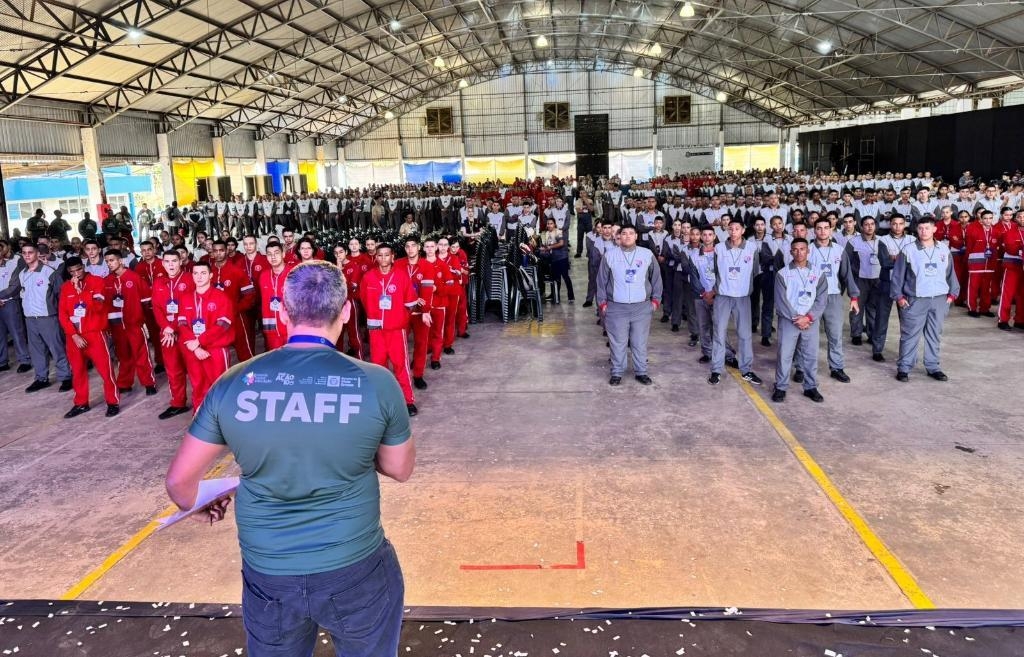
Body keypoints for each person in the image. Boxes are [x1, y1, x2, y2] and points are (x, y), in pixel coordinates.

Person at [165, 260, 413, 657]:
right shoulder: (377, 382)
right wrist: (356, 451)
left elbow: (179, 483)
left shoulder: (234, 381)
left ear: (282, 312)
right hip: (354, 565)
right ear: (346, 311)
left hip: (269, 573)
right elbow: (400, 468)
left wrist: (196, 502)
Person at [891, 216, 959, 382]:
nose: (923, 231)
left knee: (934, 334)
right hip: (915, 299)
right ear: (917, 230)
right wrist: (899, 297)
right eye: (920, 228)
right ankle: (904, 367)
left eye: (927, 228)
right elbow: (897, 276)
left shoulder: (943, 249)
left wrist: (952, 295)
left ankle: (933, 366)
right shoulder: (908, 250)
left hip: (939, 299)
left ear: (934, 229)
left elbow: (950, 273)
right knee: (910, 335)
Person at [595, 223, 662, 386]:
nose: (627, 236)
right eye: (624, 233)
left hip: (641, 307)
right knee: (618, 342)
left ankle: (641, 372)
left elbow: (656, 279)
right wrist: (602, 304)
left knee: (639, 342)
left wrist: (655, 301)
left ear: (636, 236)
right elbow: (601, 282)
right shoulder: (610, 256)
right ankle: (617, 372)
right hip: (616, 307)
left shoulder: (647, 254)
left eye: (631, 233)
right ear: (619, 236)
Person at [360, 243, 420, 416]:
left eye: (387, 255)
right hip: (376, 330)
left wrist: (400, 318)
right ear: (376, 257)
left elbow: (411, 303)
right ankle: (382, 402)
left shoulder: (401, 276)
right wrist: (374, 315)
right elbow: (364, 299)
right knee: (378, 367)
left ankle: (408, 401)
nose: (383, 258)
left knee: (401, 365)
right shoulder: (368, 277)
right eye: (380, 255)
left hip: (396, 330)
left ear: (393, 257)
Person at [58, 257, 120, 418]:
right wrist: (73, 335)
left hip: (94, 333)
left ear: (83, 267)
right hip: (74, 337)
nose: (76, 274)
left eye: (78, 269)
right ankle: (81, 403)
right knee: (78, 371)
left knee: (106, 370)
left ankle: (112, 402)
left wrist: (82, 292)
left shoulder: (97, 281)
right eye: (72, 271)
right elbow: (62, 314)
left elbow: (99, 307)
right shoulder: (65, 287)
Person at [771, 238, 829, 403]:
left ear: (808, 251)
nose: (799, 252)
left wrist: (809, 317)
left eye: (802, 249)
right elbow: (781, 300)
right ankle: (780, 387)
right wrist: (797, 318)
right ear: (791, 252)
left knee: (810, 355)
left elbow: (822, 299)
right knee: (785, 355)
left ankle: (810, 387)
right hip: (789, 320)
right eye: (795, 249)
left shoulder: (818, 273)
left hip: (810, 321)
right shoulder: (782, 274)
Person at [707, 217, 763, 387]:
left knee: (745, 334)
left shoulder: (752, 248)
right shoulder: (719, 248)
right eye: (730, 228)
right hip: (723, 296)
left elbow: (755, 272)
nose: (733, 232)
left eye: (737, 229)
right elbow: (716, 270)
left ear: (743, 230)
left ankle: (746, 370)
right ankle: (716, 369)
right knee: (719, 333)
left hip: (742, 297)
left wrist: (744, 287)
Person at [177, 261, 235, 412]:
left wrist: (199, 341)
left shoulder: (221, 297)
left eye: (203, 273)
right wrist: (196, 347)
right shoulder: (185, 298)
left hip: (215, 349)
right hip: (193, 350)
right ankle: (200, 418)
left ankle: (222, 420)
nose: (199, 277)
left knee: (219, 386)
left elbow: (223, 325)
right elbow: (182, 324)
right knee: (198, 386)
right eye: (195, 273)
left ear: (210, 275)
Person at [808, 217, 860, 382]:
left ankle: (837, 367)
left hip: (833, 297)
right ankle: (802, 367)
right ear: (814, 231)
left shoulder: (839, 250)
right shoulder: (808, 250)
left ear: (831, 230)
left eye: (826, 228)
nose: (823, 231)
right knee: (807, 335)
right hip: (811, 298)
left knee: (835, 335)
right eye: (819, 228)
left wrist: (853, 297)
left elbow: (847, 275)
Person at [18, 242, 72, 393]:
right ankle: (41, 378)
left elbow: (61, 295)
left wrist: (62, 316)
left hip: (48, 317)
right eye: (24, 253)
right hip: (30, 318)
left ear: (37, 254)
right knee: (36, 350)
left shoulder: (49, 272)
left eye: (30, 252)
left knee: (57, 348)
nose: (27, 255)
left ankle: (66, 377)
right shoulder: (22, 274)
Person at [103, 248, 158, 395]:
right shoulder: (107, 281)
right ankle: (124, 383)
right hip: (116, 326)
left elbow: (147, 301)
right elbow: (105, 306)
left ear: (120, 261)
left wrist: (143, 321)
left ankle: (149, 383)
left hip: (134, 324)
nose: (109, 264)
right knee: (123, 355)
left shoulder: (134, 277)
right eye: (107, 261)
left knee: (141, 354)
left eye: (112, 260)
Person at [151, 249, 193, 419]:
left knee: (195, 369)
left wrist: (174, 327)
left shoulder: (190, 279)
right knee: (173, 369)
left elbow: (191, 307)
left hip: (187, 331)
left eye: (174, 261)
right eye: (167, 262)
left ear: (181, 261)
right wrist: (166, 327)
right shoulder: (158, 282)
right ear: (162, 263)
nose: (171, 265)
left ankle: (203, 403)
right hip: (167, 333)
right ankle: (178, 403)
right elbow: (157, 308)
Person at [396, 236, 435, 390]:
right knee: (400, 345)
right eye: (407, 246)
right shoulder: (398, 264)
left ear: (419, 247)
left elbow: (427, 290)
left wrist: (426, 311)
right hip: (402, 312)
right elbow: (396, 288)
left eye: (413, 245)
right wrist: (412, 298)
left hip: (420, 313)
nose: (410, 249)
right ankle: (402, 375)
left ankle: (418, 375)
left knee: (421, 344)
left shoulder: (427, 266)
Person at [0, 239, 32, 373]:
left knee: (16, 332)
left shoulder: (14, 262)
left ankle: (24, 360)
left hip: (10, 302)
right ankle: (2, 361)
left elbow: (15, 285)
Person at [258, 242, 293, 350]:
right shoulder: (263, 276)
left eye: (276, 253)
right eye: (269, 254)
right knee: (276, 359)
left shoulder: (293, 274)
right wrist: (268, 331)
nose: (273, 257)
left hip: (291, 329)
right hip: (271, 331)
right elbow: (264, 305)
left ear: (283, 254)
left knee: (294, 359)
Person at [964, 209, 997, 317]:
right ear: (981, 220)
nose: (988, 220)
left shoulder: (995, 231)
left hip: (989, 264)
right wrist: (968, 261)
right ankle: (972, 308)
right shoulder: (973, 230)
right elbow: (969, 247)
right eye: (985, 218)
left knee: (986, 288)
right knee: (973, 287)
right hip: (975, 263)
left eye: (990, 218)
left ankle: (985, 309)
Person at [538, 216, 574, 303]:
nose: (549, 225)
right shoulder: (547, 233)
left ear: (554, 224)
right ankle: (555, 295)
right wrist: (543, 248)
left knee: (565, 277)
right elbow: (547, 245)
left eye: (551, 223)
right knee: (555, 278)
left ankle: (571, 297)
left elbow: (561, 243)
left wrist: (549, 247)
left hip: (562, 258)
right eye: (548, 224)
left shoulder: (558, 232)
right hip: (553, 259)